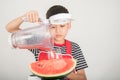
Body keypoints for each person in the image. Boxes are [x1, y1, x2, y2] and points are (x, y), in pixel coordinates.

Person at [6, 5, 88, 80]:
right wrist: (24, 17)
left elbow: (83, 77)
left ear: (69, 25)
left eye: (62, 26)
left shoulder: (75, 47)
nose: (58, 31)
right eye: (53, 27)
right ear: (47, 27)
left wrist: (61, 71)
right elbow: (10, 29)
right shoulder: (38, 43)